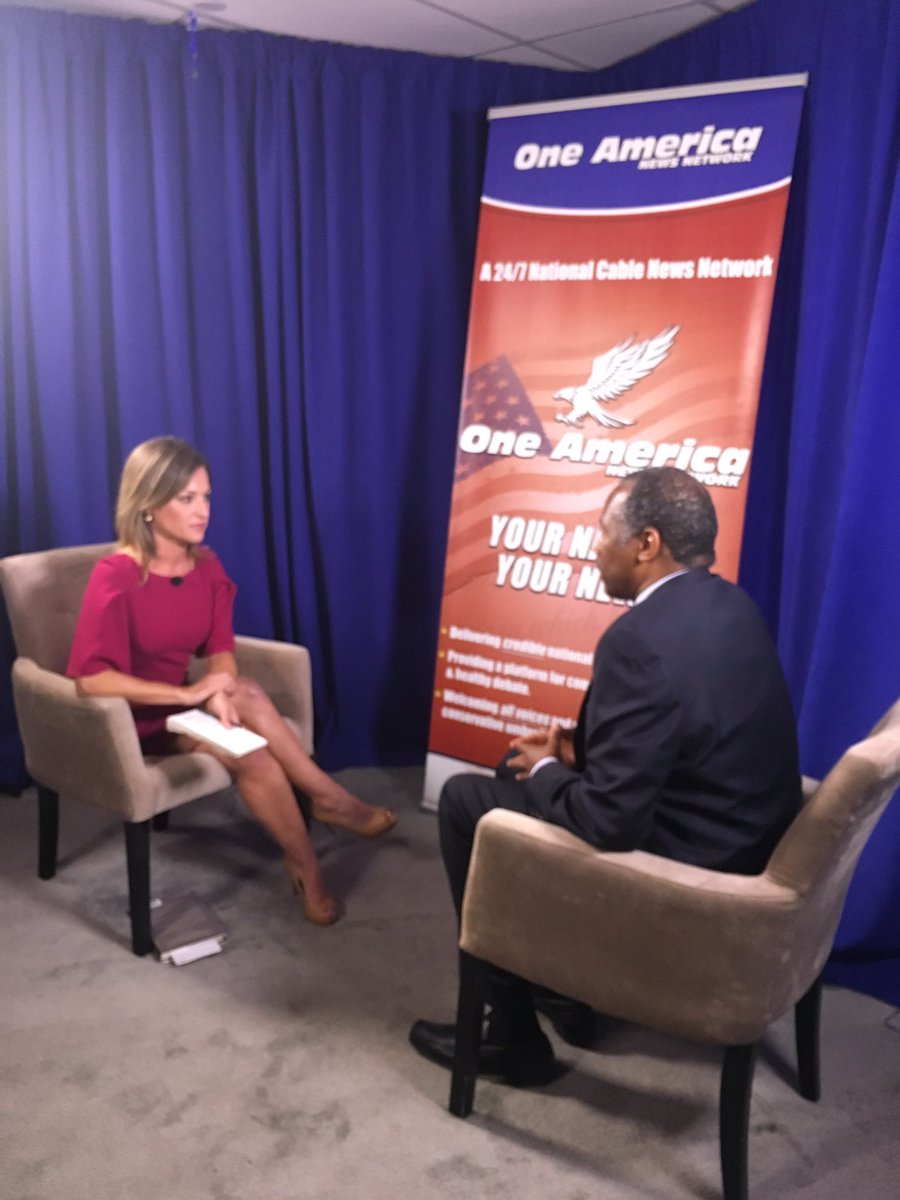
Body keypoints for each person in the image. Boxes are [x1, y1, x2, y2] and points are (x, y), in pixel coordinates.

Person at [410, 466, 801, 1083]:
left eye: (601, 531)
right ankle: (560, 988)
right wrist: (578, 754)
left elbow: (608, 821)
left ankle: (511, 1037)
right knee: (511, 772)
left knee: (466, 800)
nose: (593, 547)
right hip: (738, 836)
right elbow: (691, 731)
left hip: (695, 878)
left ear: (646, 543)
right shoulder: (732, 605)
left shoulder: (638, 640)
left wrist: (547, 768)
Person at [67, 436, 396, 927]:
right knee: (250, 739)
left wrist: (219, 691)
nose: (203, 511)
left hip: (185, 712)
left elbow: (221, 650)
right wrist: (187, 694)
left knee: (246, 699)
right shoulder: (116, 575)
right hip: (132, 722)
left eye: (206, 497)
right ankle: (322, 828)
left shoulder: (206, 566)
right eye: (187, 499)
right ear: (149, 504)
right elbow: (90, 680)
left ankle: (317, 828)